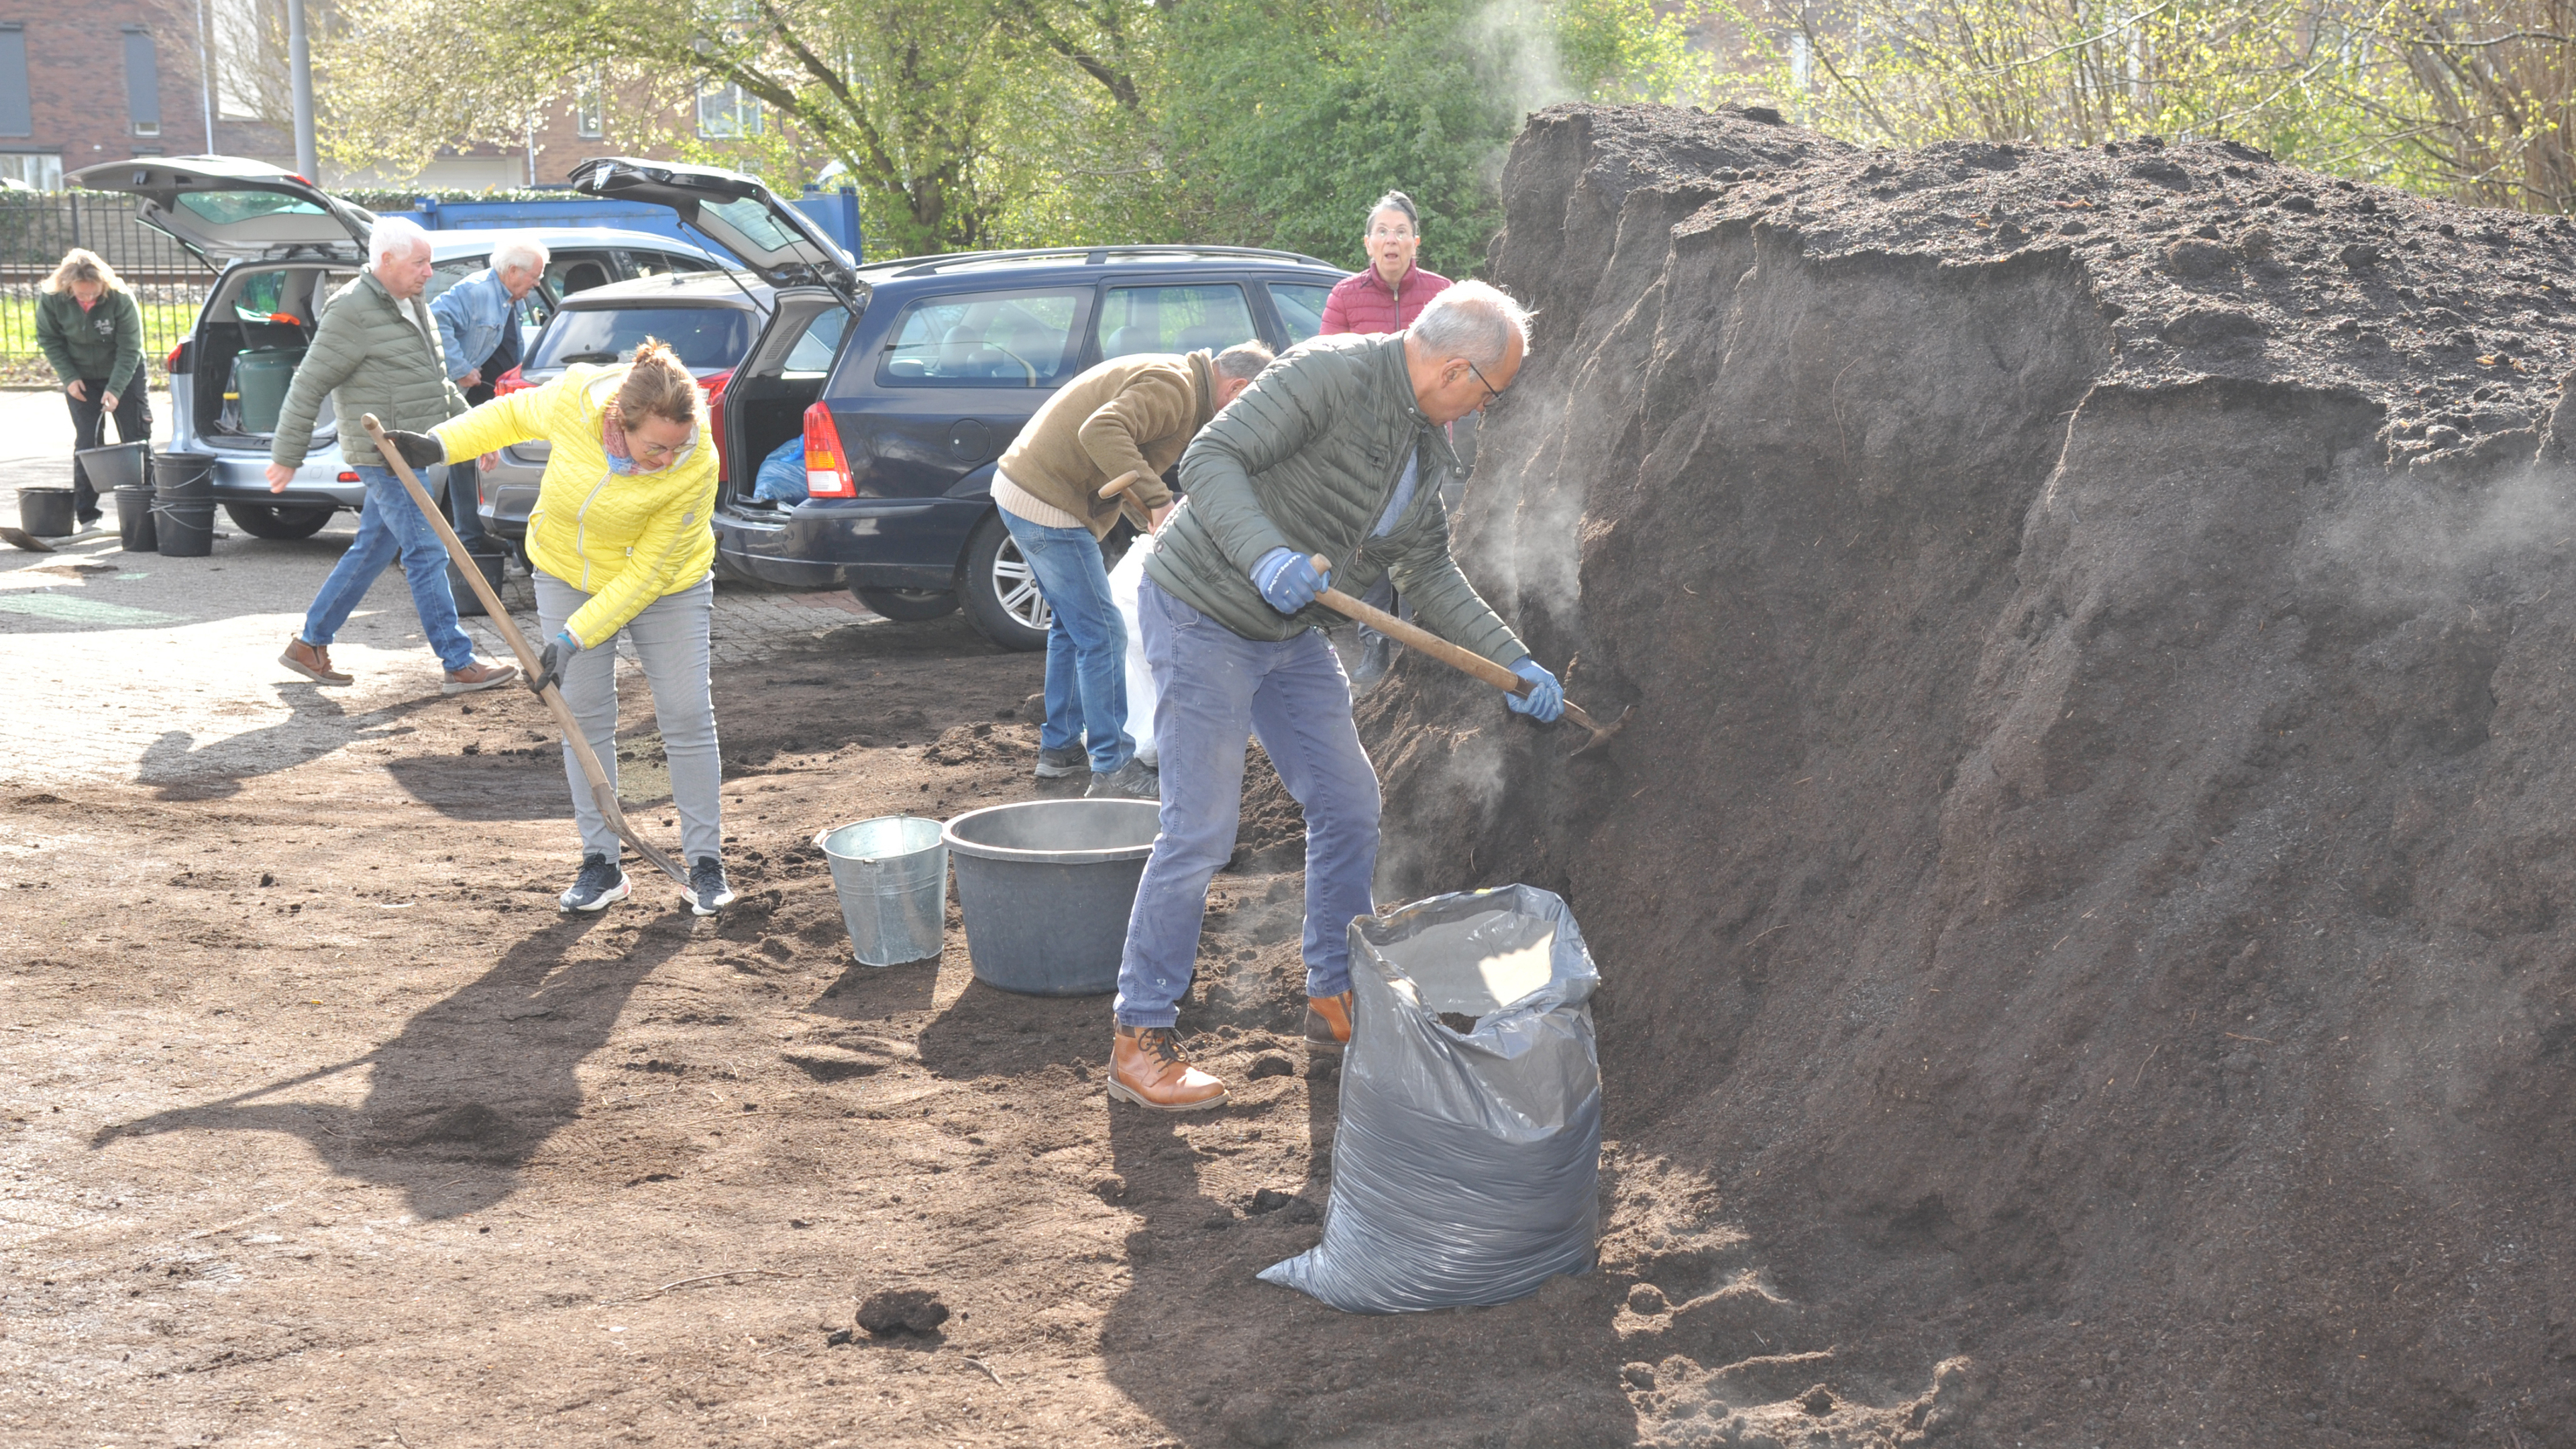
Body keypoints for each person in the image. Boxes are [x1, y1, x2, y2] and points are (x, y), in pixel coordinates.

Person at [1105, 282, 1563, 1111]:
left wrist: (1514, 660)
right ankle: (1141, 1036)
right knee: (1201, 830)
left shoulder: (1425, 448)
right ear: (1460, 369)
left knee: (1349, 803)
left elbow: (1427, 572)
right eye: (1493, 393)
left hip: (1289, 636)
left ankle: (1332, 996)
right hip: (1203, 610)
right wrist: (1267, 556)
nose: (1485, 408)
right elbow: (1209, 461)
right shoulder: (1329, 373)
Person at [381, 339, 734, 916]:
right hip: (568, 571)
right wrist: (439, 443)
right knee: (584, 714)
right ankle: (603, 863)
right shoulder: (577, 400)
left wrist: (573, 638)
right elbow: (512, 414)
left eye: (676, 446)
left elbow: (647, 573)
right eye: (655, 447)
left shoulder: (696, 462)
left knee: (686, 711)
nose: (667, 458)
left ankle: (705, 864)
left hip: (668, 585)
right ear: (621, 418)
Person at [993, 341, 1273, 801]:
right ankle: (1112, 767)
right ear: (1236, 387)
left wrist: (1145, 512)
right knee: (1103, 634)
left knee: (1072, 629)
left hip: (1027, 491)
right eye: (1250, 407)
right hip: (1046, 503)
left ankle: (1060, 751)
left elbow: (1119, 459)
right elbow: (1101, 431)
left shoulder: (1178, 379)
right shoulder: (1177, 388)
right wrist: (1160, 499)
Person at [268, 216, 517, 697]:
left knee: (374, 548)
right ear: (385, 261)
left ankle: (310, 644)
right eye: (419, 263)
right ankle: (458, 662)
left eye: (428, 262)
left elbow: (435, 381)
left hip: (412, 447)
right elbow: (309, 383)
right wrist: (287, 454)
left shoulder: (412, 301)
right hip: (383, 454)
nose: (429, 272)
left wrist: (476, 434)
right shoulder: (352, 311)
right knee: (427, 551)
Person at [1320, 191, 1456, 690]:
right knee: (1371, 542)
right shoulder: (1345, 296)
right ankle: (1376, 640)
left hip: (1427, 440)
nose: (1392, 240)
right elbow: (1328, 364)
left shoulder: (1444, 294)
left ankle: (1424, 638)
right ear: (1368, 244)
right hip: (1369, 443)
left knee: (1424, 535)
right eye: (1383, 231)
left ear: (1416, 242)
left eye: (1401, 231)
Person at [429, 239, 549, 553]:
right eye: (535, 276)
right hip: (472, 393)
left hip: (495, 394)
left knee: (482, 464)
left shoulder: (510, 297)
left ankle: (476, 533)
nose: (537, 284)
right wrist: (460, 367)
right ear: (512, 271)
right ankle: (469, 537)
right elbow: (435, 320)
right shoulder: (477, 290)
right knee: (467, 462)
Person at [36, 249, 149, 531]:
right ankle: (88, 515)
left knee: (136, 440)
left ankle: (147, 511)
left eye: (94, 295)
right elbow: (49, 339)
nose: (88, 300)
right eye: (81, 295)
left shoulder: (121, 299)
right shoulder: (52, 300)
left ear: (104, 285)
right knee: (88, 442)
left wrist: (116, 388)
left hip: (124, 371)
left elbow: (130, 349)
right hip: (81, 376)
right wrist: (69, 377)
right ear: (67, 286)